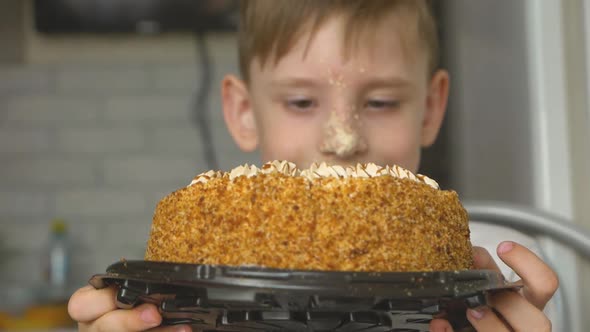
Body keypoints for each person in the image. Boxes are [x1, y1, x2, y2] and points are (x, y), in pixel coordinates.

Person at [68, 1, 559, 331]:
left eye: (382, 102)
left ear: (430, 109)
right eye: (302, 102)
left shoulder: (493, 277)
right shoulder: (196, 294)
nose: (341, 140)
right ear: (243, 112)